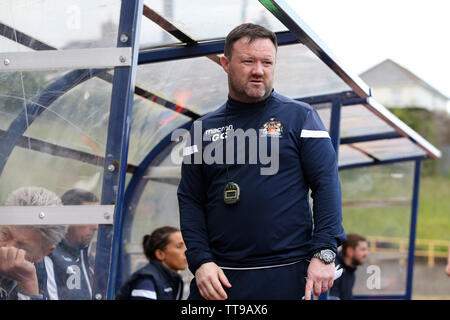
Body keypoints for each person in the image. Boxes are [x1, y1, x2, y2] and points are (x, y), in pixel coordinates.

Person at [177, 23, 346, 300]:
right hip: (220, 279)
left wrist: (325, 253)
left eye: (267, 62)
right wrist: (201, 261)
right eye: (248, 61)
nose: (259, 70)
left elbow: (326, 184)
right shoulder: (201, 130)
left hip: (291, 275)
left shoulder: (301, 117)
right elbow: (190, 199)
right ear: (225, 63)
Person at [0, 187, 67, 300]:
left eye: (22, 246)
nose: (8, 248)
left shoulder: (49, 276)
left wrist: (28, 286)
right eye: (5, 234)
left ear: (43, 253)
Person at [37, 189, 99, 300]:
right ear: (67, 218)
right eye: (89, 218)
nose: (95, 227)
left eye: (97, 218)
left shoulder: (88, 258)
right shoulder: (48, 255)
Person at [115, 226, 187, 300]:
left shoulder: (174, 279)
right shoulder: (146, 280)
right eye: (179, 246)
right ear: (160, 254)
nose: (187, 251)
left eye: (186, 245)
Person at [329, 233, 368, 300]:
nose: (366, 253)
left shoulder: (351, 270)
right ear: (350, 251)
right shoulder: (334, 270)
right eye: (362, 249)